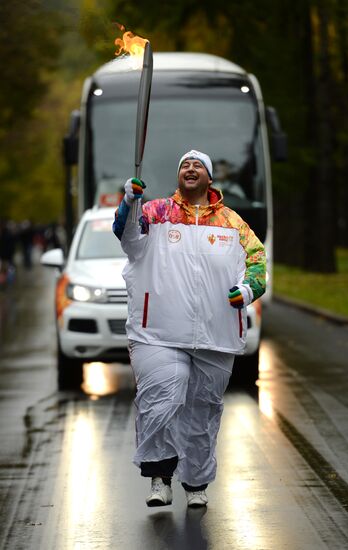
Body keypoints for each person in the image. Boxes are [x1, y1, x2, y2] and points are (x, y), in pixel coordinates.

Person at [113, 150, 266, 508]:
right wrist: (130, 202)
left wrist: (246, 291)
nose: (191, 168)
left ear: (210, 179)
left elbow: (258, 265)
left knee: (202, 411)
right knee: (162, 397)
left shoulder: (233, 223)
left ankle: (196, 484)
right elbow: (127, 237)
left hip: (216, 334)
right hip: (158, 332)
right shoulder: (155, 212)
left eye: (199, 165)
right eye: (185, 164)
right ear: (179, 176)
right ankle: (160, 476)